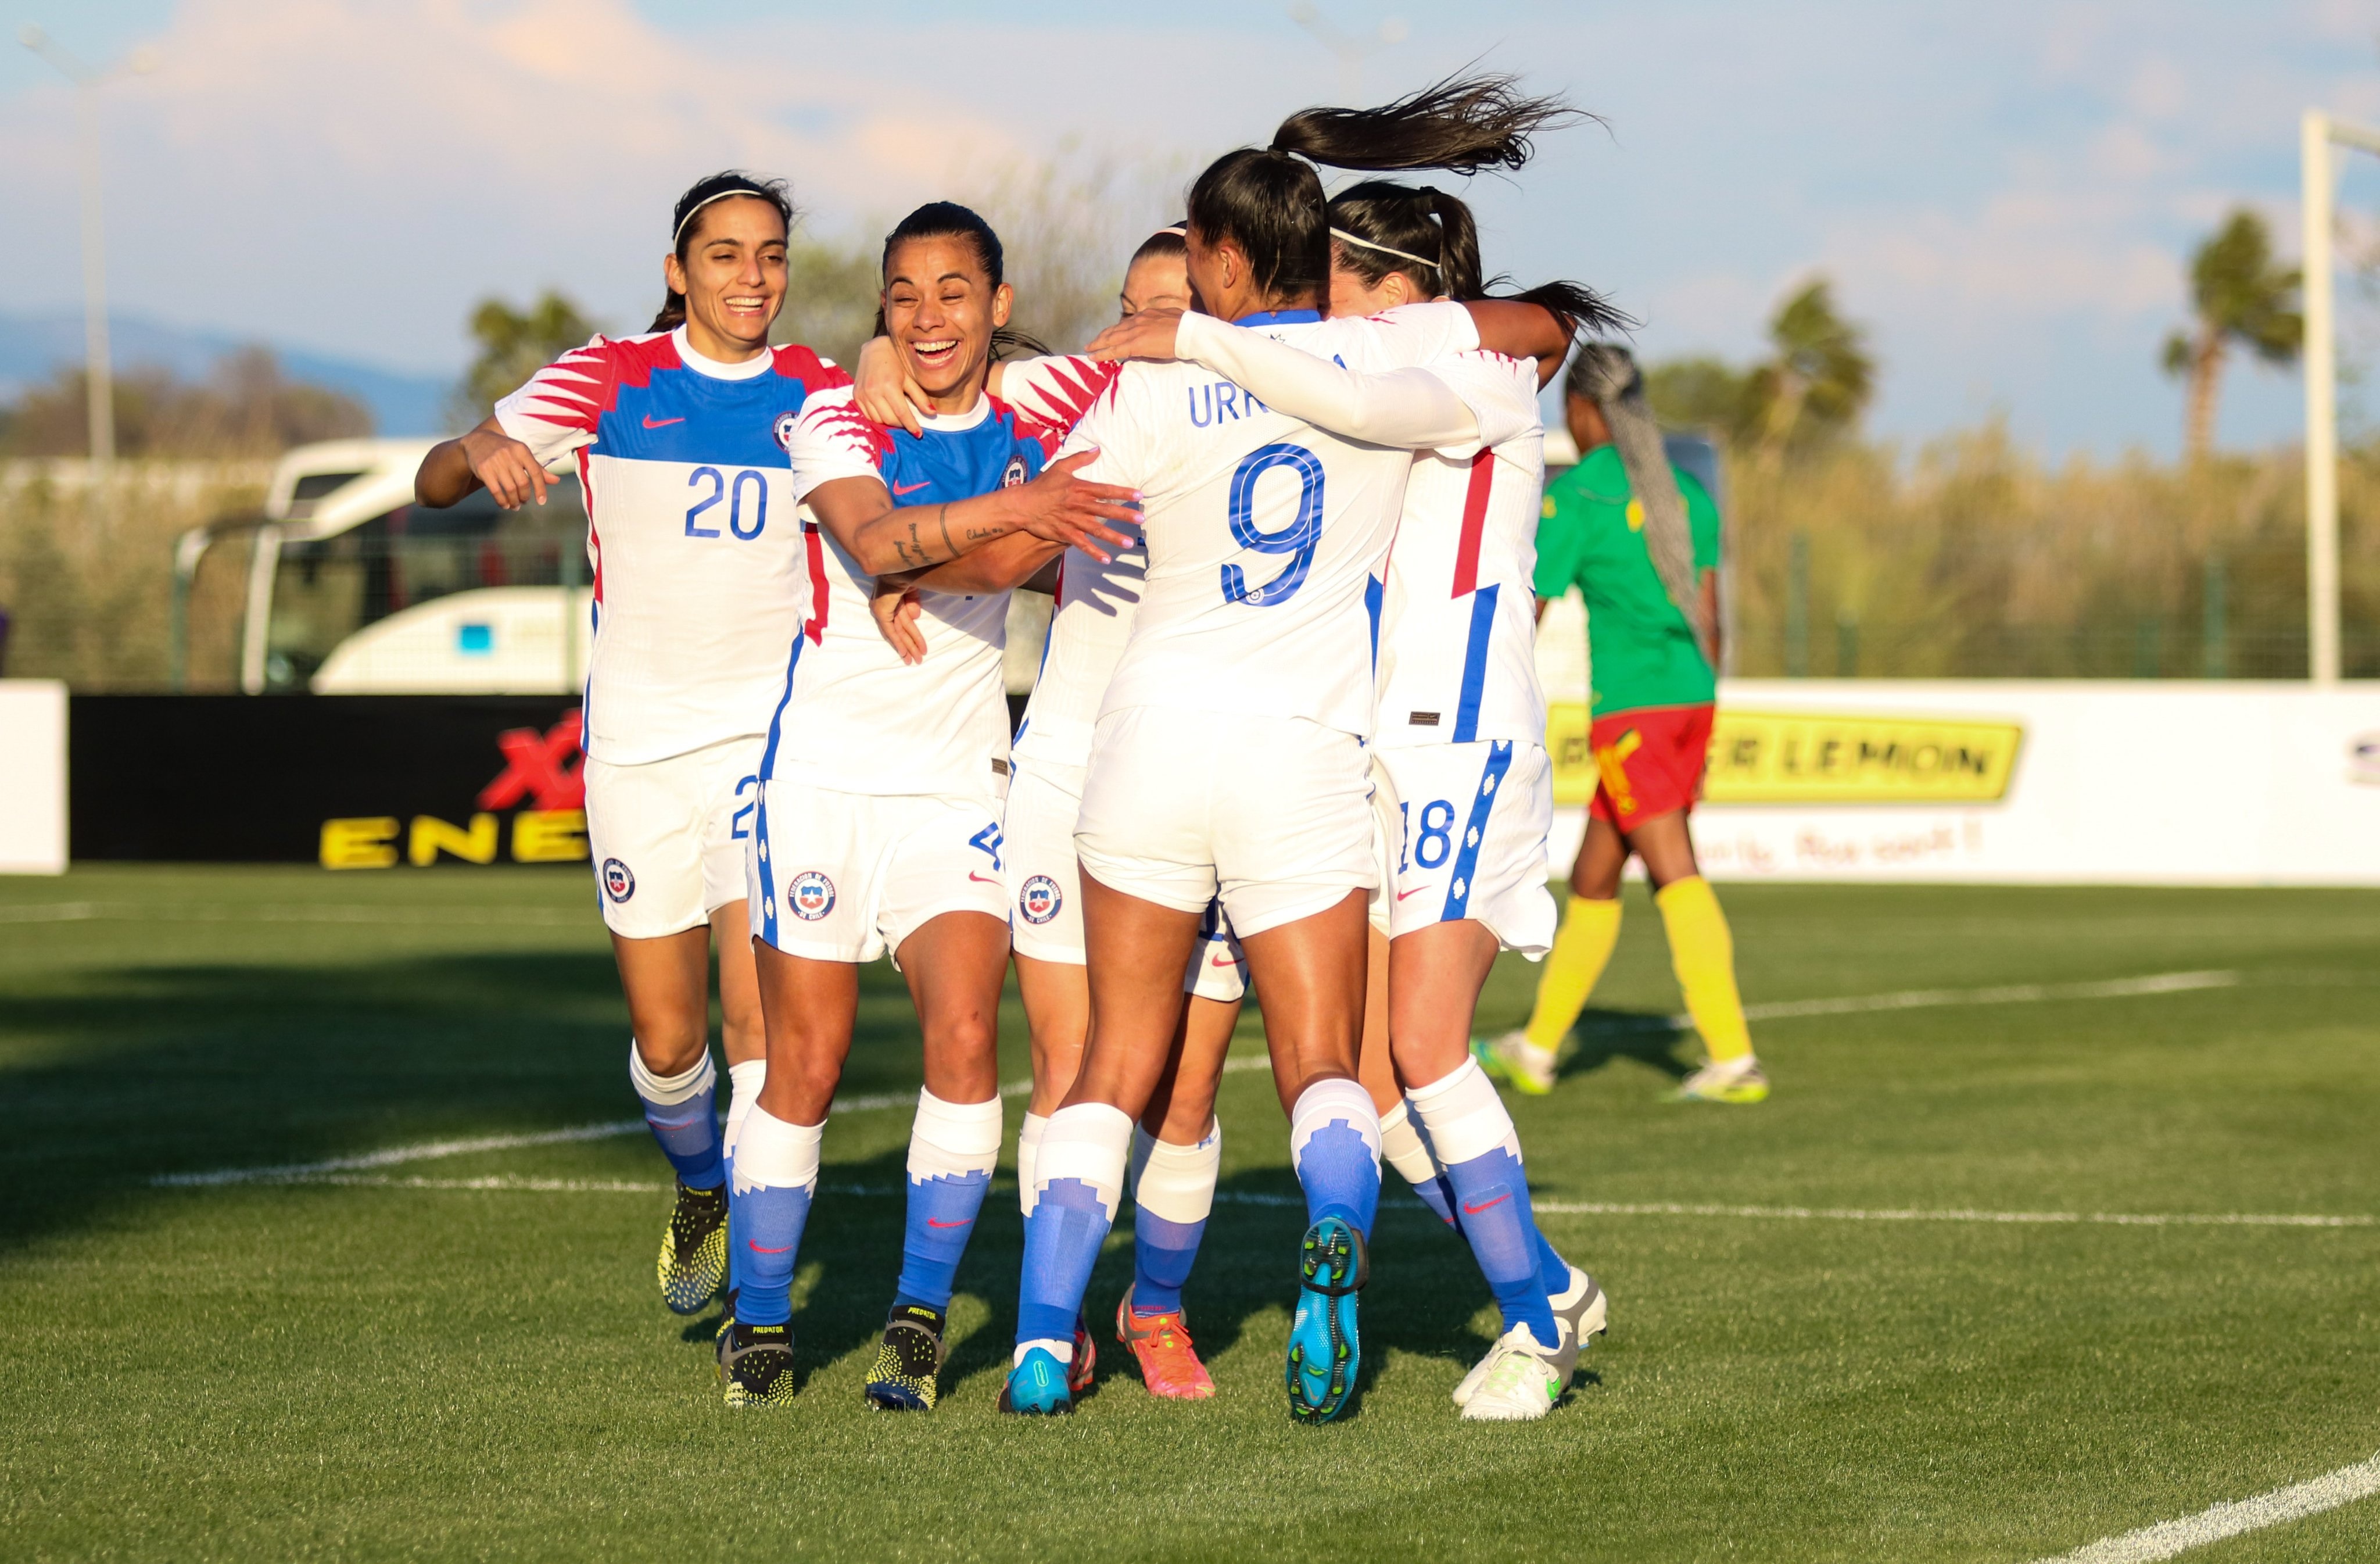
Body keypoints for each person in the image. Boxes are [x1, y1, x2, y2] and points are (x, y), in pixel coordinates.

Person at [997, 73, 1580, 1422]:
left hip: (1141, 744)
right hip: (1305, 751)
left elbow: (1000, 419)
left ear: (1205, 256)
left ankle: (1040, 1334)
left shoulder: (1144, 382)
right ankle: (1358, 1256)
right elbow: (1513, 341)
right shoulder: (1380, 379)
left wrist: (1130, 346)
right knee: (1333, 1061)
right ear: (1316, 259)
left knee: (1107, 1067)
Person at [1149, 179, 1621, 1419]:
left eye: (1343, 277)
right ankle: (1536, 1279)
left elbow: (1364, 383)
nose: (1321, 300)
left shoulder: (1466, 373)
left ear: (1404, 291)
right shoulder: (1403, 353)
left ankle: (1535, 1322)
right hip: (1371, 745)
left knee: (1421, 1045)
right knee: (1365, 1080)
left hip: (1458, 740)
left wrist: (1197, 333)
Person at [721, 202, 1139, 1411]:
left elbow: (1148, 352)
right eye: (901, 296)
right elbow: (879, 536)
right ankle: (758, 1318)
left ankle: (915, 1313)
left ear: (998, 307)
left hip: (958, 783)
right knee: (806, 1054)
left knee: (965, 1042)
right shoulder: (833, 417)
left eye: (953, 291)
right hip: (819, 779)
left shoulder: (1041, 400)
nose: (925, 317)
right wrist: (1023, 512)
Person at [413, 171, 844, 1321]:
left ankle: (758, 1301)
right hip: (638, 756)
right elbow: (435, 479)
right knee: (669, 1042)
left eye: (768, 255)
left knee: (761, 1023)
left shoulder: (821, 391)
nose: (750, 277)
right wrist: (475, 444)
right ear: (677, 271)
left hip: (771, 749)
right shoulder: (607, 377)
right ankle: (700, 1178)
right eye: (724, 255)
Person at [858, 223, 1248, 1403]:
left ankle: (1157, 1308)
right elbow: (916, 363)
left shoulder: (1286, 405)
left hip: (1216, 762)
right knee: (1072, 1062)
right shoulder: (1081, 392)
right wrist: (882, 360)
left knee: (1186, 1079)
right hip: (1070, 763)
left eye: (1168, 308)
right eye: (1126, 305)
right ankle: (1055, 1318)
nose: (1138, 330)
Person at [1481, 345, 1767, 1104]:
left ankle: (1734, 1058)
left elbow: (1528, 609)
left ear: (1581, 410)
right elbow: (1712, 618)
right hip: (1690, 699)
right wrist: (1704, 702)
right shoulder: (1685, 498)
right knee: (1596, 877)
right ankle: (1537, 1049)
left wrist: (1493, 698)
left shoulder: (1579, 498)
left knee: (1675, 867)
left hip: (1632, 709)